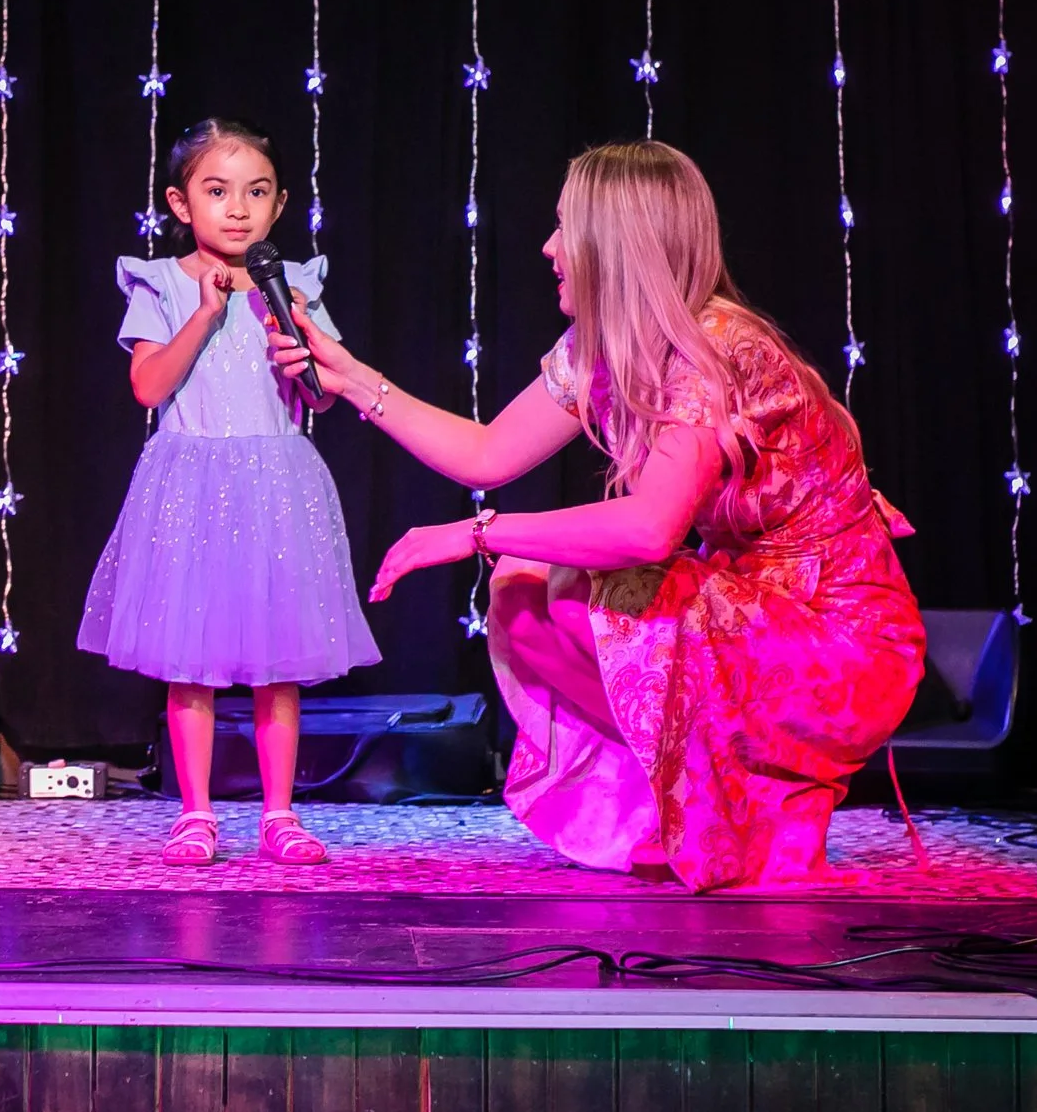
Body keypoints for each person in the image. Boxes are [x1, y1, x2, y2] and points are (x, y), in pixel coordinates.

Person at [268, 139, 925, 889]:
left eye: (563, 230)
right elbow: (487, 455)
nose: (548, 248)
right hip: (751, 613)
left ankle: (753, 803)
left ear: (616, 245)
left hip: (839, 642)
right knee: (523, 595)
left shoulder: (714, 348)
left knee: (583, 586)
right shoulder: (602, 347)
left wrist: (476, 532)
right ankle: (717, 806)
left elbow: (649, 529)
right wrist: (353, 380)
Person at [79, 118, 380, 867]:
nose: (238, 209)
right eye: (218, 192)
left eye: (256, 193)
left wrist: (298, 350)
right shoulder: (161, 283)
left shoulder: (295, 286)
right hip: (192, 483)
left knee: (279, 663)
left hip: (276, 484)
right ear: (183, 204)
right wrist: (208, 314)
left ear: (279, 206)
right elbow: (147, 384)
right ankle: (196, 811)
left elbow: (322, 398)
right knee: (192, 661)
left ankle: (279, 814)